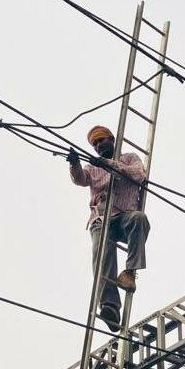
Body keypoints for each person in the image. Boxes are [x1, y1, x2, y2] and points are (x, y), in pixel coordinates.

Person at [67, 125, 150, 332]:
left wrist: (110, 164)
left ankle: (129, 273)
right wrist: (75, 163)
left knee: (139, 219)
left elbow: (139, 174)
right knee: (102, 253)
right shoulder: (93, 167)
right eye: (95, 143)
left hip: (124, 216)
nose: (99, 145)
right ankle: (110, 306)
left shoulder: (129, 158)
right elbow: (80, 179)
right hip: (101, 217)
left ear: (112, 140)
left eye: (102, 140)